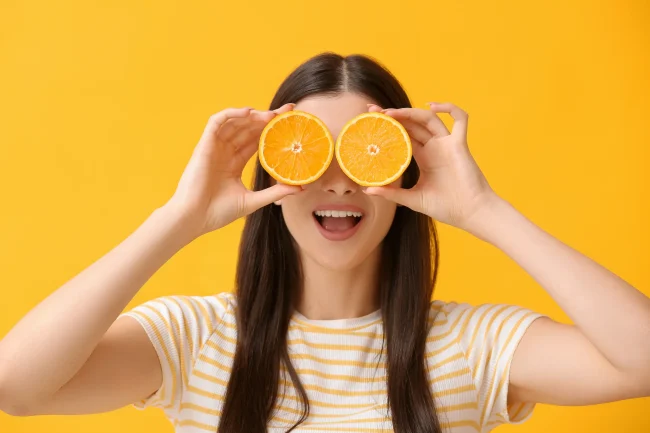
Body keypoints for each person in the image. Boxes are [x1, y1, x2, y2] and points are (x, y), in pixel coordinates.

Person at [0, 52, 648, 433]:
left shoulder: (472, 345)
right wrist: (180, 215)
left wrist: (482, 208)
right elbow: (15, 385)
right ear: (273, 172)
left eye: (365, 154)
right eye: (309, 155)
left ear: (404, 171)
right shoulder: (194, 337)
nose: (338, 183)